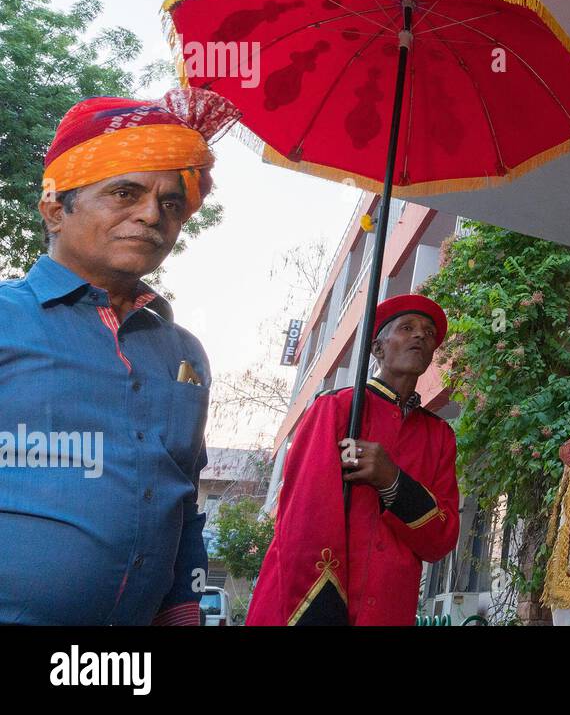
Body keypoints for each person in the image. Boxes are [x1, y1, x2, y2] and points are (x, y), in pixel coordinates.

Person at [0, 89, 238, 624]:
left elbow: (183, 502)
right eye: (125, 193)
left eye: (171, 203)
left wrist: (182, 611)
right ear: (56, 209)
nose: (152, 215)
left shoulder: (184, 353)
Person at [246, 294, 460, 625]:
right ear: (378, 348)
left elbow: (441, 540)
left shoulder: (439, 436)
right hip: (308, 607)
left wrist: (393, 482)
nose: (420, 335)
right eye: (407, 327)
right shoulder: (335, 408)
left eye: (429, 333)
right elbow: (303, 519)